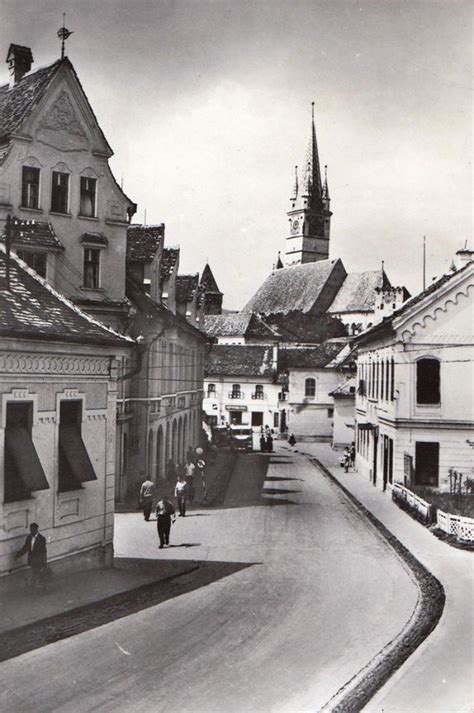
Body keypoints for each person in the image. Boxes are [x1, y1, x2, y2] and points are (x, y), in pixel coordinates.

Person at [15, 523, 47, 589]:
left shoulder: (42, 539)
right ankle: (35, 587)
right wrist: (18, 555)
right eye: (30, 530)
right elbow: (25, 548)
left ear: (36, 530)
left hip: (39, 560)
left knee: (36, 574)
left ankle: (37, 588)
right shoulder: (29, 537)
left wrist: (44, 563)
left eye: (32, 530)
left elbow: (43, 552)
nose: (31, 532)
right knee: (34, 574)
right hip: (32, 560)